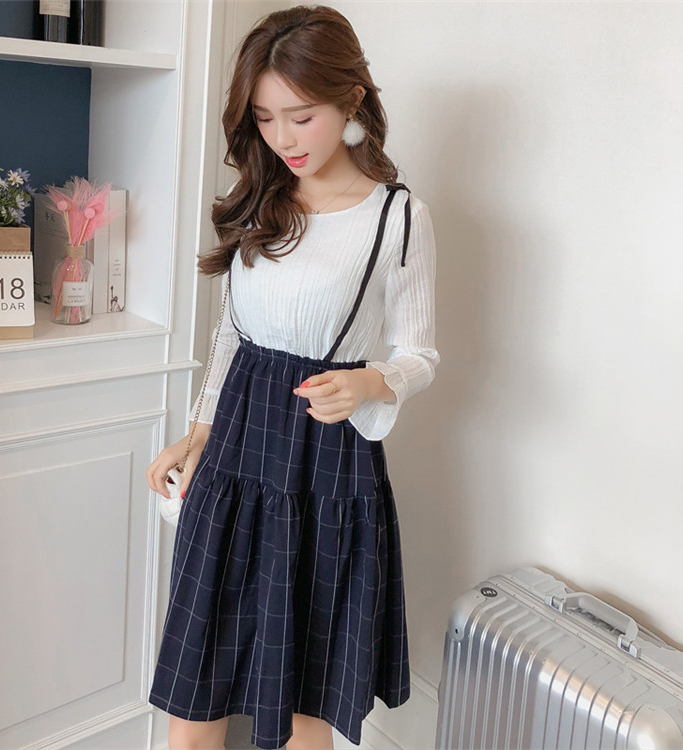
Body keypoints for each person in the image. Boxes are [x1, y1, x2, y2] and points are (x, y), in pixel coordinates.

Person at [145, 6, 439, 749]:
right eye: (265, 118)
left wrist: (372, 383)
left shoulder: (396, 217)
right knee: (196, 689)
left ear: (351, 100)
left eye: (301, 117)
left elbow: (420, 353)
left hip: (326, 463)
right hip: (236, 448)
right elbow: (232, 332)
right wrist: (196, 435)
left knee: (306, 705)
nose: (282, 138)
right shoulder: (261, 196)